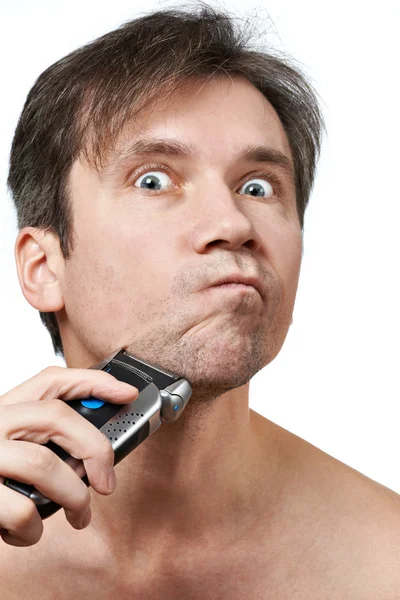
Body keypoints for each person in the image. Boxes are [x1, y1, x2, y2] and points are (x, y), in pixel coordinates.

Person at [1, 3, 399, 598]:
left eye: (258, 187)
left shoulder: (384, 564)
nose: (232, 222)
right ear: (43, 267)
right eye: (154, 179)